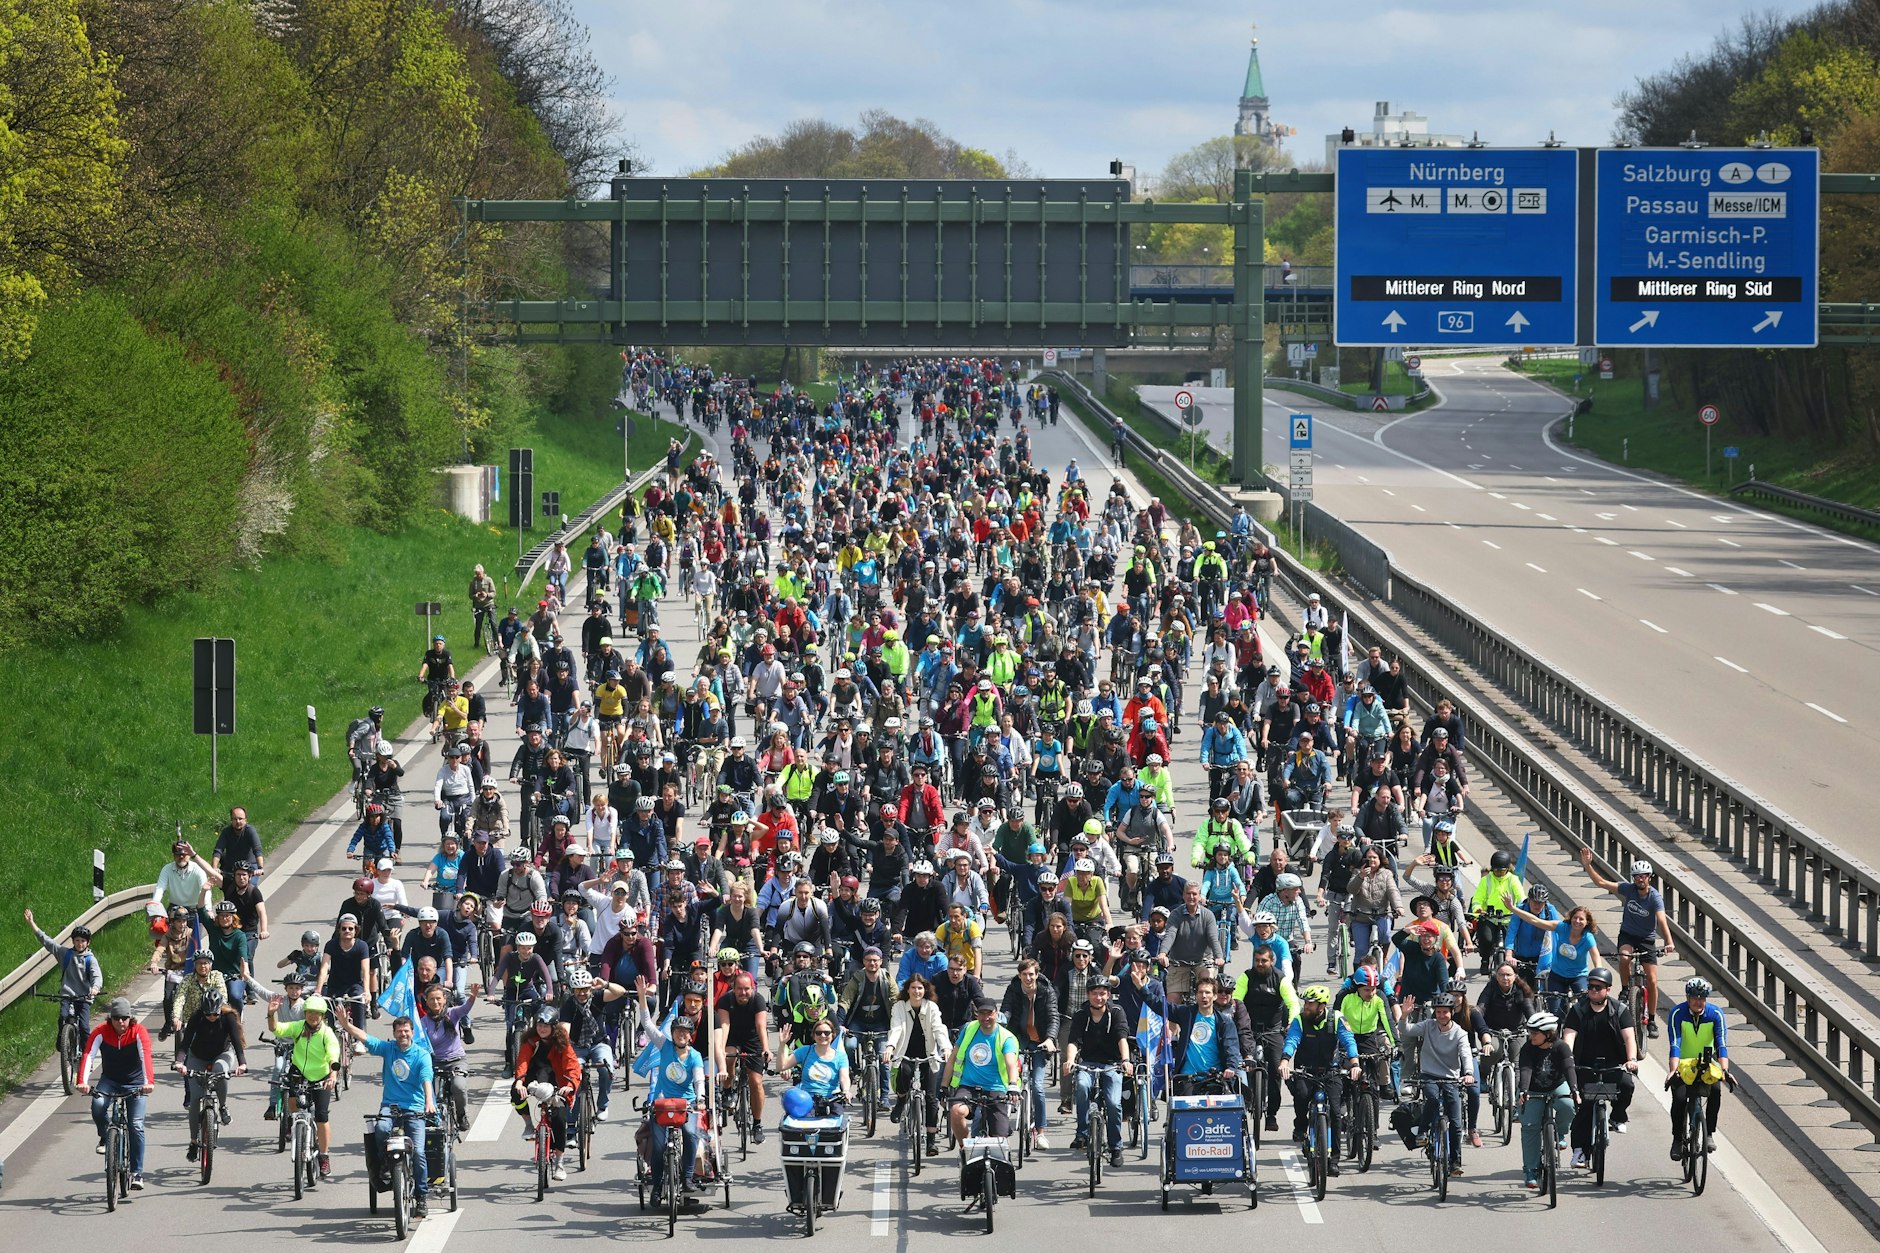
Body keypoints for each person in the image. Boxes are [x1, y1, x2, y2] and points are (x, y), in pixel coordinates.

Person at [338, 1011, 436, 1217]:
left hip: (415, 1108)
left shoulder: (421, 1054)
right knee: (381, 1128)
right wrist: (346, 1026)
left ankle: (421, 1197)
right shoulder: (389, 1049)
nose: (403, 1034)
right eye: (399, 1031)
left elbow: (427, 1077)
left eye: (406, 1031)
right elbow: (366, 1038)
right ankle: (384, 1161)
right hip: (390, 1106)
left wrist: (428, 1101)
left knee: (418, 1152)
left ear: (412, 1032)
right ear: (394, 1033)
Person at [1579, 850, 1675, 1038]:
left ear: (1649, 878)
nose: (1640, 879)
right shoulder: (1628, 889)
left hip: (1647, 939)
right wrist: (1587, 865)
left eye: (1643, 876)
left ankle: (1653, 1020)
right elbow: (1601, 883)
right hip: (1628, 935)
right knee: (1624, 958)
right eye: (1637, 876)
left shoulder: (1654, 897)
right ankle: (1625, 990)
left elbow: (1662, 921)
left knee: (1653, 981)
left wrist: (1669, 942)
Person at [1561, 966, 1637, 1168]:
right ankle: (1579, 1152)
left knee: (1627, 1085)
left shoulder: (1620, 1010)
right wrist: (1568, 1059)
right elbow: (1569, 1036)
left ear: (1608, 989)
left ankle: (1617, 1116)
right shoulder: (1578, 1010)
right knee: (1584, 1108)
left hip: (1613, 1065)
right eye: (1590, 987)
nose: (1593, 991)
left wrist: (1631, 1059)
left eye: (1598, 987)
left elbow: (1629, 1036)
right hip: (1584, 1065)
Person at [1279, 985, 1360, 1175]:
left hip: (1331, 1071)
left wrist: (1355, 1063)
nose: (1306, 1006)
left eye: (1310, 1003)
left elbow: (1348, 1040)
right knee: (1301, 1094)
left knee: (1335, 1113)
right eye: (1305, 1002)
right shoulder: (1300, 1019)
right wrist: (1285, 1061)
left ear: (1322, 1006)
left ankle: (1334, 1160)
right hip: (1306, 1069)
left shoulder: (1336, 1019)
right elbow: (1292, 1040)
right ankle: (1300, 1125)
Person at [79, 997, 155, 1190]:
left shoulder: (138, 1032)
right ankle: (105, 1136)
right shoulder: (101, 1032)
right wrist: (82, 1082)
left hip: (136, 1083)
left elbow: (145, 1055)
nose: (121, 1022)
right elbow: (89, 1054)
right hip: (110, 1081)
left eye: (124, 1018)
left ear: (130, 1018)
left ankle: (137, 1172)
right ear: (110, 1019)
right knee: (97, 1105)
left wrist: (148, 1083)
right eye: (116, 1018)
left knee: (135, 1125)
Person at [265, 992, 342, 1177]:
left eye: (317, 1013)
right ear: (305, 1013)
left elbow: (333, 1054)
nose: (313, 1016)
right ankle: (293, 1121)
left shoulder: (326, 1033)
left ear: (322, 1016)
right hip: (299, 1072)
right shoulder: (298, 1027)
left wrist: (333, 1075)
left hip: (321, 1076)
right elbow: (276, 1029)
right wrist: (271, 1014)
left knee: (322, 1117)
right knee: (291, 1096)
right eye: (309, 1012)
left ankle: (324, 1156)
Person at [1398, 991, 1474, 1175]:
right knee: (1431, 1099)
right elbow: (1405, 1030)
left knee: (1456, 1124)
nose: (1441, 1015)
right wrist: (1405, 1015)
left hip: (1451, 1078)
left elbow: (1466, 1054)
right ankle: (1423, 1132)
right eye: (1438, 1012)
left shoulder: (1460, 1033)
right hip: (1429, 1075)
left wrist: (1469, 1073)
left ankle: (1455, 1162)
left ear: (1451, 1012)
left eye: (1445, 1012)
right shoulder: (1428, 1025)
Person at [174, 985, 247, 1164]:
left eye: (215, 1014)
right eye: (208, 1014)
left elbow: (237, 1042)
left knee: (219, 1071)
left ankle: (222, 1106)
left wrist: (242, 1063)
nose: (212, 1017)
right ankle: (193, 1141)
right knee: (195, 1101)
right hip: (198, 1056)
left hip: (222, 1053)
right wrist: (179, 1062)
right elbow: (185, 1043)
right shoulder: (197, 1018)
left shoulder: (228, 1017)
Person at [1064, 975, 1131, 1166]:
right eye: (1095, 994)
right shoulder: (1081, 1014)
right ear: (1088, 994)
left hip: (1112, 1064)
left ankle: (1115, 1147)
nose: (1099, 998)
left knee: (1113, 1102)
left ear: (1108, 994)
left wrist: (1125, 1060)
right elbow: (1073, 1041)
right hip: (1087, 1063)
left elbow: (1122, 1038)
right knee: (1083, 1087)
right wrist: (1070, 1060)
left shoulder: (1116, 1012)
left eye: (1102, 993)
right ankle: (1082, 1134)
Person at [644, 1014, 709, 1209]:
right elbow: (647, 1025)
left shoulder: (695, 1056)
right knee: (657, 1147)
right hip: (662, 1105)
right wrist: (642, 998)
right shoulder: (664, 1047)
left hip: (686, 1105)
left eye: (685, 1032)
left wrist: (701, 1099)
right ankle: (656, 1187)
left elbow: (699, 1079)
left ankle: (687, 1178)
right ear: (672, 1034)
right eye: (678, 1031)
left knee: (690, 1134)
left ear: (691, 1036)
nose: (681, 1034)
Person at [511, 1006, 582, 1182]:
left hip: (558, 1080)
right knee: (515, 1093)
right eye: (539, 1025)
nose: (542, 1029)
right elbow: (523, 1060)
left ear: (554, 1027)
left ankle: (559, 1162)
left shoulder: (562, 1041)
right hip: (536, 1076)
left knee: (559, 1120)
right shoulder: (531, 1040)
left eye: (546, 1026)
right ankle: (528, 1124)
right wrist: (520, 1080)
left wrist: (570, 1085)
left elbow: (572, 1064)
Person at [884, 974, 950, 1155]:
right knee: (904, 1073)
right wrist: (890, 1046)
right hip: (905, 1054)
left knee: (931, 1098)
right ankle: (901, 1100)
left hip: (928, 1056)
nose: (916, 991)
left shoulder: (931, 1007)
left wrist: (945, 1047)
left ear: (925, 990)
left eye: (920, 988)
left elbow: (939, 1028)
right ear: (907, 990)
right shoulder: (899, 1007)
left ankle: (931, 1141)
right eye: (913, 988)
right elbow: (896, 1028)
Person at [1667, 977, 1730, 1161]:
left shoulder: (1715, 1014)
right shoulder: (1677, 1013)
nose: (1698, 1002)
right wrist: (1673, 1070)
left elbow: (1721, 1044)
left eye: (1702, 998)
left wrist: (1725, 1070)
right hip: (1683, 1064)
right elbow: (1675, 1044)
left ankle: (1709, 1133)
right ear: (1688, 997)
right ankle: (1677, 1139)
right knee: (1679, 1099)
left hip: (1707, 1063)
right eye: (1694, 997)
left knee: (1716, 1091)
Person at [1515, 1011, 1578, 1190]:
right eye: (1530, 1032)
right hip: (1532, 1090)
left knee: (1569, 1105)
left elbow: (1569, 1068)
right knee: (1530, 1128)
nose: (1531, 1036)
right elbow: (1525, 1070)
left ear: (1549, 1034)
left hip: (1556, 1086)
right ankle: (1530, 1170)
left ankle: (1560, 1133)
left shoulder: (1561, 1047)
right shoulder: (1527, 1048)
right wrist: (1524, 1091)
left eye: (1535, 1033)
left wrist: (1574, 1090)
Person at [947, 996, 1020, 1142]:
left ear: (996, 1013)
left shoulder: (1006, 1038)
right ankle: (965, 1148)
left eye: (989, 1013)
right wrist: (944, 1086)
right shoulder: (969, 1029)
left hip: (996, 1087)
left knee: (999, 1139)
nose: (985, 1017)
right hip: (968, 1085)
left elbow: (1011, 1064)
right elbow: (953, 1058)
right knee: (956, 1111)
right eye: (982, 1013)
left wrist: (1012, 1085)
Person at [713, 970, 773, 1144]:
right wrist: (721, 1049)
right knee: (729, 1057)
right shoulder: (726, 1000)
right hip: (733, 1037)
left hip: (753, 1039)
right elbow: (724, 1025)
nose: (743, 993)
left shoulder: (758, 1000)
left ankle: (757, 1124)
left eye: (747, 989)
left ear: (752, 988)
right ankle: (728, 1090)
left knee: (756, 1082)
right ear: (734, 988)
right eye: (739, 989)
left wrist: (767, 1049)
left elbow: (761, 1026)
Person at [24, 908, 102, 1042]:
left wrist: (95, 988)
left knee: (84, 1027)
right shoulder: (65, 954)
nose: (80, 943)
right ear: (73, 941)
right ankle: (62, 1039)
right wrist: (32, 923)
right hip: (67, 995)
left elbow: (97, 977)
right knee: (63, 1017)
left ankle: (86, 1054)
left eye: (83, 941)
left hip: (84, 997)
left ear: (88, 942)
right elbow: (48, 942)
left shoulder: (90, 959)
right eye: (77, 940)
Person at [1169, 972, 1243, 1093]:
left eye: (1207, 992)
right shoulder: (1186, 1013)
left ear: (1214, 996)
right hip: (1188, 1078)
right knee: (1184, 1109)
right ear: (1196, 995)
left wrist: (1231, 1067)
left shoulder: (1225, 1022)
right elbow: (1159, 1005)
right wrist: (1141, 988)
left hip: (1214, 1078)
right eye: (1200, 992)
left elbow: (1231, 1048)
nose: (1204, 996)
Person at [790, 1015, 853, 1113]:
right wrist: (782, 1044)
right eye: (818, 1033)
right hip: (807, 1099)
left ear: (833, 1035)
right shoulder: (804, 1051)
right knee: (802, 1121)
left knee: (837, 1122)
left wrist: (846, 1091)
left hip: (832, 1098)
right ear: (814, 1035)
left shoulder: (840, 1056)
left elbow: (844, 1077)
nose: (823, 1036)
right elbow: (781, 1066)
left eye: (827, 1033)